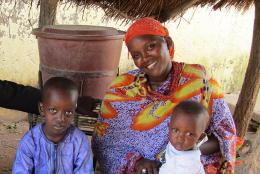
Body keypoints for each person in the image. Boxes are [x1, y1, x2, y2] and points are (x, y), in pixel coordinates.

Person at [92, 17, 238, 174]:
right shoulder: (121, 89)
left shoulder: (200, 83)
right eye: (136, 55)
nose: (145, 58)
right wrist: (136, 162)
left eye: (150, 47)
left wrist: (183, 152)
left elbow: (225, 136)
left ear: (167, 44)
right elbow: (105, 142)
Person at [12, 77, 94, 174]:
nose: (61, 118)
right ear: (42, 109)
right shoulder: (30, 141)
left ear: (74, 110)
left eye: (68, 112)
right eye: (53, 110)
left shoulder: (79, 142)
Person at [159, 100, 209, 174]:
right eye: (176, 130)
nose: (180, 138)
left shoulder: (190, 166)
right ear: (169, 127)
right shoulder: (176, 145)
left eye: (189, 134)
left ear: (200, 137)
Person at [0, 79, 100, 115]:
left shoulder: (78, 142)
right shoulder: (29, 142)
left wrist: (69, 101)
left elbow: (11, 94)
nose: (60, 120)